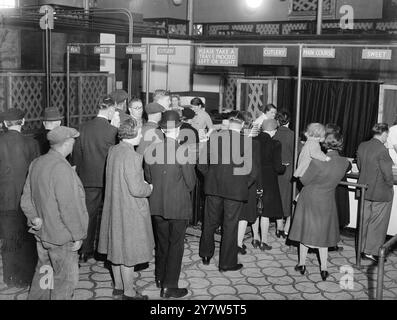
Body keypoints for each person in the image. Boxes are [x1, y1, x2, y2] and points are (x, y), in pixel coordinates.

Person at [21, 126, 88, 299]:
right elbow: (69, 209)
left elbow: (26, 198)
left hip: (42, 234)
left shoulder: (37, 163)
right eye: (73, 140)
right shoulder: (62, 169)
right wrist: (78, 235)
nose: (74, 143)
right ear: (66, 143)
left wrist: (34, 217)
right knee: (64, 282)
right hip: (61, 238)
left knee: (44, 276)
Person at [98, 117, 154, 300]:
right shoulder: (133, 156)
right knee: (128, 252)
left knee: (116, 248)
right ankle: (129, 293)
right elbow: (137, 189)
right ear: (135, 134)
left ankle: (119, 286)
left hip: (114, 206)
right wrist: (149, 188)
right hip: (129, 209)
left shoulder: (114, 150)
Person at [144, 110, 196, 299]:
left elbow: (148, 178)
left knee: (162, 243)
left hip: (156, 204)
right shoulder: (183, 151)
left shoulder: (150, 150)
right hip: (178, 206)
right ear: (180, 128)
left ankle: (159, 277)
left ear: (163, 130)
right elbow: (191, 183)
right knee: (176, 245)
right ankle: (169, 286)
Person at [288, 132, 350, 281]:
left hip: (309, 198)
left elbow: (303, 180)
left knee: (305, 232)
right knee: (323, 235)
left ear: (324, 143)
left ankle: (301, 264)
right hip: (327, 200)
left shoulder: (317, 161)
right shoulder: (345, 163)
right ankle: (323, 269)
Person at [199, 112, 254, 272]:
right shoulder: (246, 141)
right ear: (243, 125)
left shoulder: (215, 137)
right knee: (230, 226)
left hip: (213, 187)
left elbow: (201, 164)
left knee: (209, 222)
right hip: (235, 191)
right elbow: (252, 171)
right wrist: (242, 184)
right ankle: (226, 263)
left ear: (229, 124)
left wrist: (210, 177)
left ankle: (206, 255)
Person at [72, 96, 118, 262]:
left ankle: (85, 250)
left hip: (88, 179)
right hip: (108, 179)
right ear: (111, 109)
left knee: (89, 216)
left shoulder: (82, 127)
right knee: (109, 215)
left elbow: (76, 156)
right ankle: (105, 251)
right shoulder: (112, 130)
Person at [0, 108, 39, 288]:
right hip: (26, 200)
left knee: (8, 239)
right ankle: (27, 277)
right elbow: (36, 175)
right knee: (27, 239)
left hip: (4, 201)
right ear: (22, 122)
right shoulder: (32, 143)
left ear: (4, 124)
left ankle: (10, 277)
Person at [357, 123, 394, 263]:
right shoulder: (382, 150)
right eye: (387, 135)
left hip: (364, 189)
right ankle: (371, 251)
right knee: (377, 223)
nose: (387, 138)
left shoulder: (362, 145)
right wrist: (390, 186)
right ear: (383, 134)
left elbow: (360, 166)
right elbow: (387, 174)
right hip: (380, 192)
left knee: (364, 221)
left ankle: (361, 249)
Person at [251, 119, 286, 251]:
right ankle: (264, 241)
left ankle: (255, 238)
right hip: (269, 180)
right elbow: (278, 167)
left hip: (254, 179)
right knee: (265, 212)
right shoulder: (275, 143)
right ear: (273, 131)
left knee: (255, 209)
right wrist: (284, 167)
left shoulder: (252, 141)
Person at [237, 111, 261, 254]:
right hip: (248, 183)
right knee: (245, 215)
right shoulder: (254, 143)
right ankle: (239, 244)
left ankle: (233, 241)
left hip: (232, 181)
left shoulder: (230, 139)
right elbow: (255, 168)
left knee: (233, 213)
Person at [273, 110, 295, 238]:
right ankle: (286, 228)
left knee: (278, 199)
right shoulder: (292, 135)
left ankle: (279, 227)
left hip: (275, 172)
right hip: (289, 172)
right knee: (289, 200)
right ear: (289, 121)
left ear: (277, 121)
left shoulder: (274, 134)